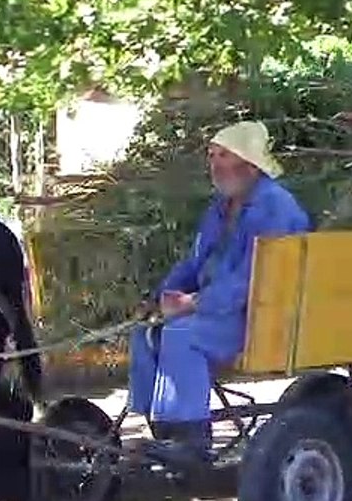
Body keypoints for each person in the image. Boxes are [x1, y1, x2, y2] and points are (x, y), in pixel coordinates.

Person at [127, 120, 311, 467]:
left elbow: (254, 279)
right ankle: (162, 431)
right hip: (219, 311)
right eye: (211, 155)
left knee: (181, 334)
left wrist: (194, 303)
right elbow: (196, 262)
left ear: (250, 163)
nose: (214, 164)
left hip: (258, 317)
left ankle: (192, 441)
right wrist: (162, 296)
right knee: (146, 333)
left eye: (223, 155)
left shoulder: (276, 208)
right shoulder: (220, 208)